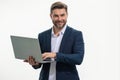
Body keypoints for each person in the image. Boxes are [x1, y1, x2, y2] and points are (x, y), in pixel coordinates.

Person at [24, 1, 84, 80]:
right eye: (56, 16)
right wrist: (34, 63)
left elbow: (78, 58)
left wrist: (55, 55)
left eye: (62, 15)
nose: (59, 19)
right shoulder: (42, 36)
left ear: (67, 15)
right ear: (50, 16)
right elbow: (39, 63)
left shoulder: (76, 34)